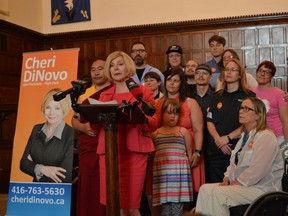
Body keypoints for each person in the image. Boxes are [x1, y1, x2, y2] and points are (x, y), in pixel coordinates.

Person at [195, 97, 284, 216]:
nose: (241, 111)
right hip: (244, 186)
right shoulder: (244, 136)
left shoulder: (265, 136)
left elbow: (257, 171)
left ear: (258, 115)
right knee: (205, 189)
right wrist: (227, 178)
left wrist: (234, 184)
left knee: (219, 194)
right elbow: (233, 164)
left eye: (246, 109)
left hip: (262, 189)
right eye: (241, 108)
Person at [96, 51, 156, 215]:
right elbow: (95, 125)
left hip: (134, 153)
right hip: (109, 152)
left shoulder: (143, 92)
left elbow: (154, 122)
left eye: (120, 64)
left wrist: (140, 117)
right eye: (112, 65)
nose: (116, 68)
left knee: (130, 207)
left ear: (128, 66)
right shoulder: (104, 95)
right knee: (112, 205)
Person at [206, 58, 255, 183]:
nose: (229, 72)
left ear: (239, 75)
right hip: (216, 150)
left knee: (234, 188)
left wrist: (227, 138)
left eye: (233, 70)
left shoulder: (248, 96)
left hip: (237, 149)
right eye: (227, 69)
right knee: (215, 189)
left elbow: (249, 123)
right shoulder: (217, 96)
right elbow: (209, 121)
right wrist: (218, 139)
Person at [72, 59, 110, 216]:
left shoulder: (113, 90)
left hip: (107, 144)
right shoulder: (83, 94)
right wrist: (82, 127)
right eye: (93, 69)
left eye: (100, 68)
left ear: (107, 71)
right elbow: (73, 120)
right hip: (88, 146)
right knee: (88, 182)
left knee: (105, 183)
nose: (96, 72)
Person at [20, 88, 74, 183]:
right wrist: (43, 169)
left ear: (63, 110)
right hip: (35, 192)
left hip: (59, 193)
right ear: (44, 109)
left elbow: (65, 175)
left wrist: (33, 166)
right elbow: (23, 164)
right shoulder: (36, 129)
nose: (51, 113)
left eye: (57, 108)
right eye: (48, 107)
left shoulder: (71, 134)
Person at [152, 99, 193, 216]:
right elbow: (153, 156)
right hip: (163, 179)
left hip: (178, 179)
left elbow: (189, 156)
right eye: (169, 113)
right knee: (165, 210)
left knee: (177, 209)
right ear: (162, 113)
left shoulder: (183, 131)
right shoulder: (155, 134)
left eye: (176, 113)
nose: (172, 116)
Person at [250, 61, 288, 156]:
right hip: (257, 135)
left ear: (271, 76)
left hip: (277, 137)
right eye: (260, 71)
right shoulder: (250, 92)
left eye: (267, 72)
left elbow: (285, 120)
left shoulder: (279, 94)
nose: (262, 74)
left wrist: (287, 143)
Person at [190, 64, 213, 183]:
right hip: (193, 142)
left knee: (211, 178)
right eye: (198, 73)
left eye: (204, 73)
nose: (200, 76)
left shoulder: (216, 97)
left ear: (210, 77)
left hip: (211, 143)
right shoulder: (188, 97)